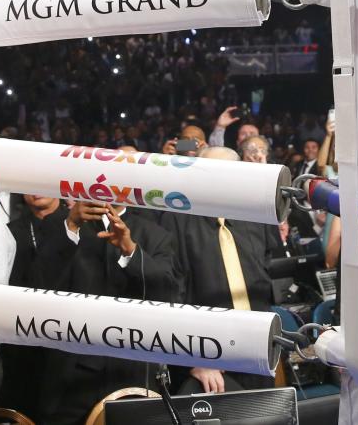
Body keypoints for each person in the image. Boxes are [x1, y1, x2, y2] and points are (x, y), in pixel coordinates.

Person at [31, 196, 179, 423]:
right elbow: (39, 283)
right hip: (70, 373)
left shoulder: (155, 233)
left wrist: (130, 251)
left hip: (132, 371)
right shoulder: (57, 224)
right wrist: (71, 226)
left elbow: (166, 293)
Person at [161, 146, 275, 395]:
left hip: (258, 344)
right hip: (209, 355)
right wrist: (193, 357)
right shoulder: (177, 218)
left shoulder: (255, 214)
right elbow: (172, 292)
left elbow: (266, 270)